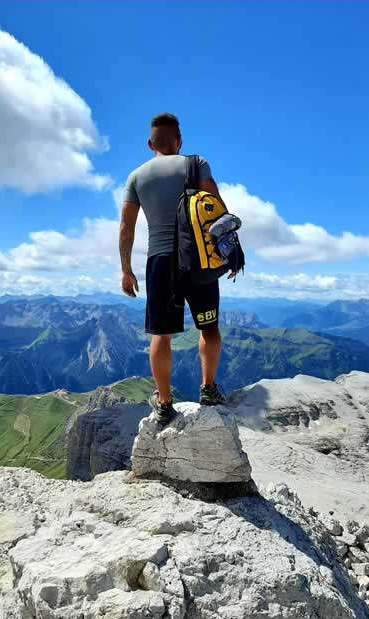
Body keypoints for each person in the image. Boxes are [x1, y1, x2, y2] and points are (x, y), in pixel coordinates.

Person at [119, 113, 229, 426]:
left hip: (160, 262)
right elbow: (217, 210)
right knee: (208, 327)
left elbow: (126, 228)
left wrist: (126, 270)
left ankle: (165, 404)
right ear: (179, 141)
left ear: (150, 143)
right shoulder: (196, 164)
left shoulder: (136, 177)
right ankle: (208, 389)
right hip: (198, 261)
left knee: (161, 335)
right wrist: (230, 255)